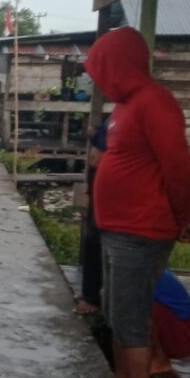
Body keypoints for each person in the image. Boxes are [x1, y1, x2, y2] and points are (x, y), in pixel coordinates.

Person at [70, 26, 190, 378]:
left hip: (142, 231)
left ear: (120, 65)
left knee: (132, 320)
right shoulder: (125, 106)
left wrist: (182, 218)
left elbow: (179, 169)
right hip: (117, 229)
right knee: (115, 311)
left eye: (102, 70)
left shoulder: (155, 102)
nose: (99, 80)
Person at [74, 118, 109, 315]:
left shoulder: (132, 114)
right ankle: (90, 292)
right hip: (99, 185)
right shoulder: (117, 116)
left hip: (111, 191)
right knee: (92, 238)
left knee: (97, 240)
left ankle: (93, 297)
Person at [150, 270, 190, 374]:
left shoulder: (147, 274)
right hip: (179, 332)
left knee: (140, 308)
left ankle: (160, 360)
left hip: (187, 337)